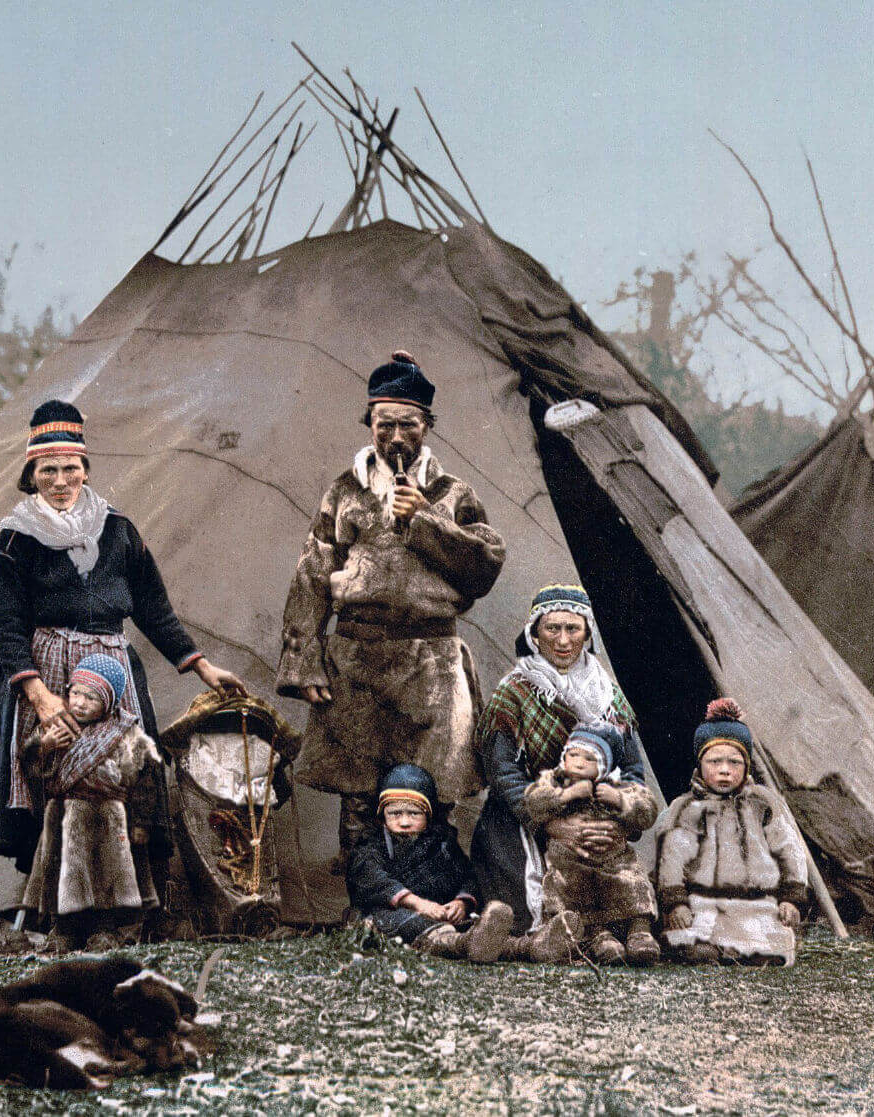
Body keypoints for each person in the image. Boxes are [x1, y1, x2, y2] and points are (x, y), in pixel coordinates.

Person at [0, 400, 246, 904]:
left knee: (123, 778)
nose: (61, 480)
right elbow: (6, 630)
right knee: (53, 779)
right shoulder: (12, 542)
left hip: (114, 677)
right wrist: (41, 699)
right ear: (31, 476)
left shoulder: (118, 531)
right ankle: (53, 904)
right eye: (48, 470)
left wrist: (200, 666)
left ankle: (126, 902)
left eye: (71, 468)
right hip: (43, 673)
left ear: (86, 470)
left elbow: (153, 609)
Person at [276, 351, 506, 867]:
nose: (397, 437)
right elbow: (312, 573)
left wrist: (427, 520)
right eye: (385, 424)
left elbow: (484, 568)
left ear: (427, 426)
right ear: (370, 425)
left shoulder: (453, 493)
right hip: (357, 655)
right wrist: (304, 660)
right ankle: (367, 899)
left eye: (409, 424)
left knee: (432, 786)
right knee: (359, 788)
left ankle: (431, 889)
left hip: (431, 657)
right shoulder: (344, 491)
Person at [471, 584, 648, 940]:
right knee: (527, 919)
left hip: (595, 817)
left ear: (587, 633)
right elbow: (503, 773)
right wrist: (552, 824)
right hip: (524, 819)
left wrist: (617, 823)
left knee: (617, 903)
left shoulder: (608, 695)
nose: (563, 640)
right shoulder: (513, 692)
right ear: (535, 633)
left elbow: (631, 770)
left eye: (573, 628)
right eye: (552, 628)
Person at [346, 764, 571, 963]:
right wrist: (418, 904)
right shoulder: (371, 847)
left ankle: (531, 947)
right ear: (382, 814)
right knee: (412, 925)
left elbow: (467, 876)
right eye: (394, 813)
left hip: (440, 914)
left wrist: (461, 903)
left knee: (478, 927)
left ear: (429, 814)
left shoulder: (441, 844)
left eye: (413, 813)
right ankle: (463, 944)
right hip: (393, 915)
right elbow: (375, 880)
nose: (404, 821)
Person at [19, 653, 162, 949]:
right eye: (75, 694)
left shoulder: (126, 733)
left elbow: (147, 779)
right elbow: (30, 768)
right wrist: (43, 747)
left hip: (107, 817)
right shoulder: (55, 726)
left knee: (107, 877)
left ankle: (104, 931)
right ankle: (63, 931)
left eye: (92, 698)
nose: (80, 703)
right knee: (60, 873)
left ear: (109, 703)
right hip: (62, 815)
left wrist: (142, 822)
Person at [655, 698, 809, 966]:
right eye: (714, 762)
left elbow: (789, 851)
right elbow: (672, 858)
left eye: (734, 762)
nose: (724, 770)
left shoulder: (763, 803)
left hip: (756, 902)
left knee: (772, 943)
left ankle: (750, 949)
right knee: (690, 937)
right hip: (703, 902)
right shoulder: (687, 807)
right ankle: (706, 949)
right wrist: (676, 902)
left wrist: (792, 898)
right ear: (700, 765)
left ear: (747, 765)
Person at [523, 723, 660, 965]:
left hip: (614, 856)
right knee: (574, 888)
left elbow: (647, 811)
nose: (578, 762)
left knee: (632, 880)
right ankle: (597, 936)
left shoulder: (617, 785)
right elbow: (533, 803)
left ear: (604, 765)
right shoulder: (554, 781)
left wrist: (620, 800)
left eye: (589, 758)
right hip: (572, 858)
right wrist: (567, 795)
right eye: (573, 755)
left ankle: (639, 930)